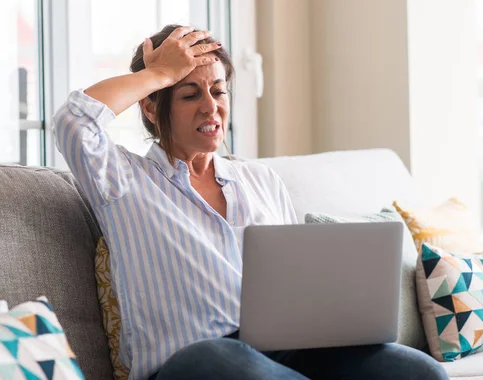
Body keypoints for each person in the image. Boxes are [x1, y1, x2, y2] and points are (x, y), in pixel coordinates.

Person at [53, 24, 448, 380]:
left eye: (219, 90)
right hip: (194, 362)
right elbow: (74, 121)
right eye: (189, 93)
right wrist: (158, 74)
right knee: (221, 361)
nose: (211, 107)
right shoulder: (123, 180)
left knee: (418, 372)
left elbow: (301, 285)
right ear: (152, 107)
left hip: (290, 353)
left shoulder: (260, 180)